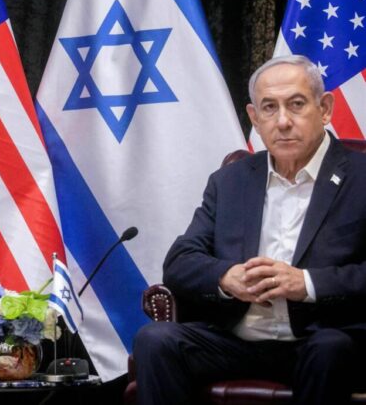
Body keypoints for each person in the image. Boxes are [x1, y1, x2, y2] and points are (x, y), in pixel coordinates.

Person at [133, 54, 366, 405]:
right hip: (238, 340)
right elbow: (180, 261)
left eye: (297, 105)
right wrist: (227, 279)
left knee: (329, 348)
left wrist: (305, 284)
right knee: (155, 340)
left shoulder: (360, 178)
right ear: (254, 119)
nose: (283, 121)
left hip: (323, 340)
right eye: (269, 108)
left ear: (326, 109)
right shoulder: (231, 180)